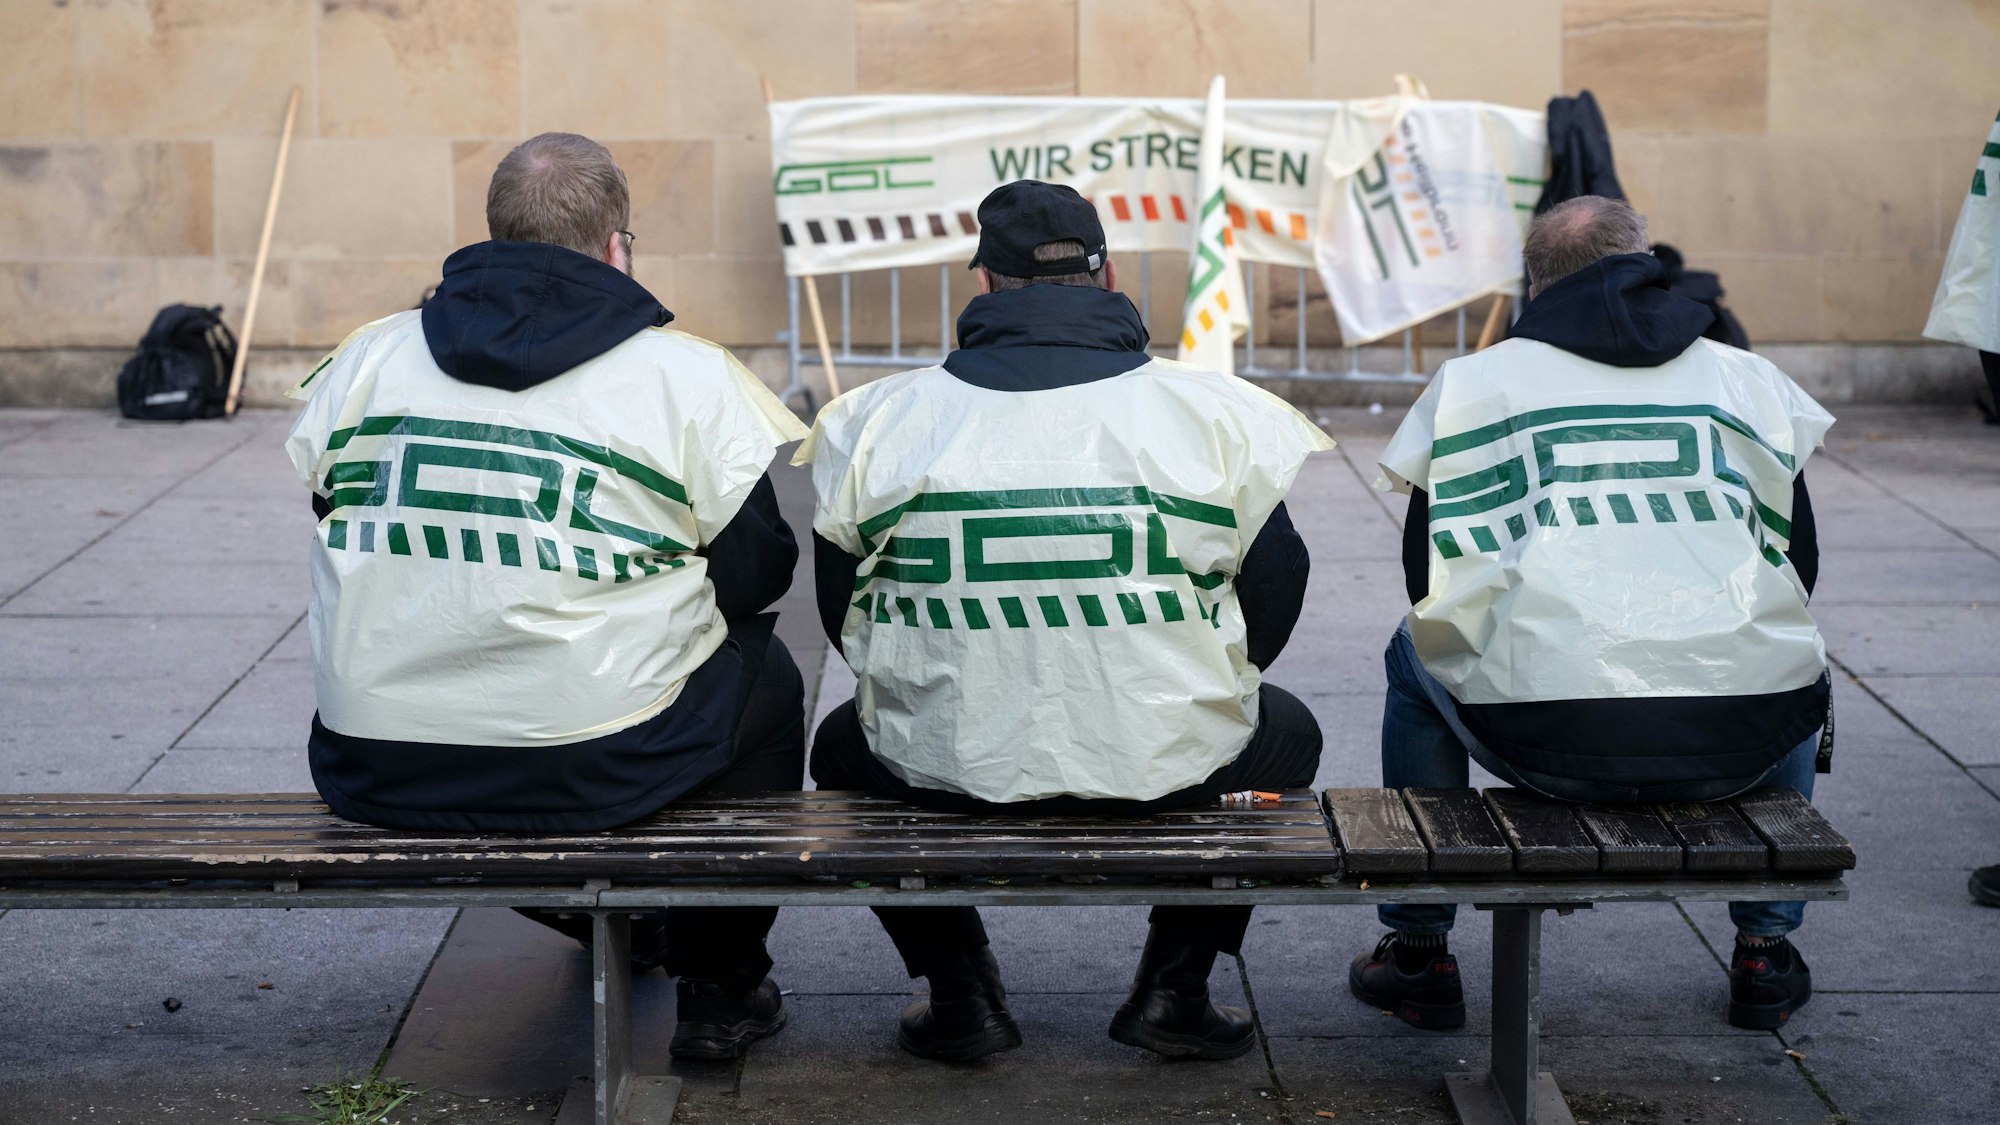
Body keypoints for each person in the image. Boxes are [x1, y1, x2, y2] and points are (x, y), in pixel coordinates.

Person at [283, 133, 810, 1060]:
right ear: (617, 248)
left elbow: (330, 510)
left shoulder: (368, 357)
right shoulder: (682, 374)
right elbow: (759, 574)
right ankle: (719, 990)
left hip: (376, 762)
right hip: (589, 762)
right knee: (764, 676)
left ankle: (627, 928)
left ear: (493, 235)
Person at [798, 180, 1332, 1062]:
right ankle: (1176, 988)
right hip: (1173, 766)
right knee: (1286, 735)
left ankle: (962, 996)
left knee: (842, 750)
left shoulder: (878, 420)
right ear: (1108, 273)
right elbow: (1277, 594)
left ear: (986, 287)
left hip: (943, 767)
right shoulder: (1213, 413)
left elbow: (843, 619)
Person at [1352, 196, 1834, 1033]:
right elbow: (1801, 566)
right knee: (1786, 641)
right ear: (1646, 261)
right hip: (1736, 736)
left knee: (1411, 650)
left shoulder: (1473, 384)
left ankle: (1420, 950)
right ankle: (1765, 948)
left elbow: (1424, 578)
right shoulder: (1745, 377)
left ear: (1535, 284)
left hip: (1540, 737)